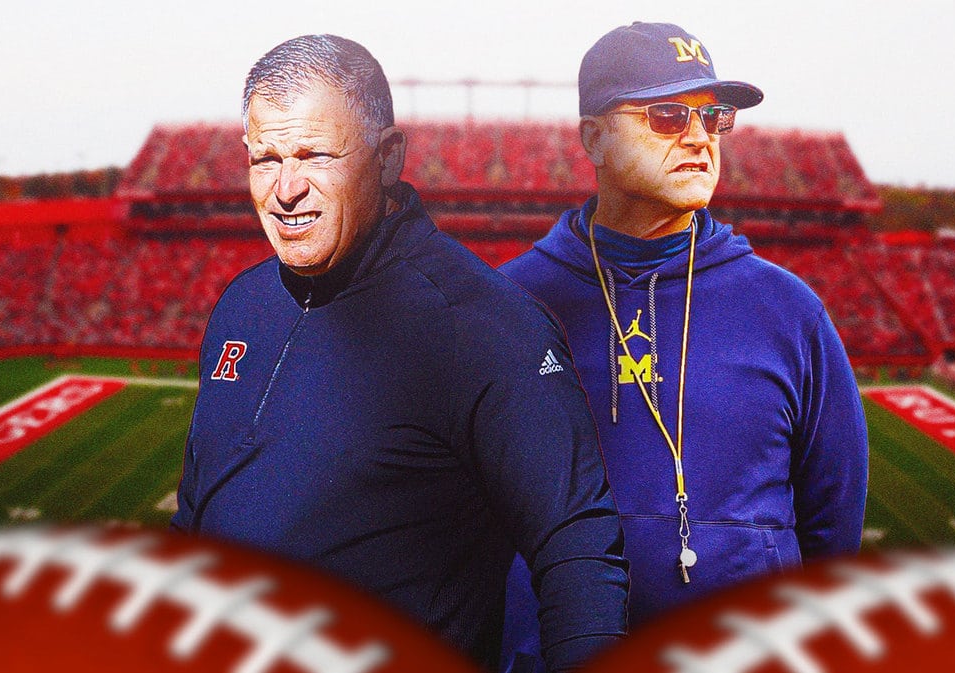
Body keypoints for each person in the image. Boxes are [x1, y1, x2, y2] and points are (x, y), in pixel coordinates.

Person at [170, 34, 628, 673]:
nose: (285, 188)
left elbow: (577, 549)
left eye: (314, 154)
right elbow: (195, 516)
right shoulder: (240, 306)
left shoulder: (486, 326)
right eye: (264, 158)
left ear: (388, 157)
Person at [500, 21, 869, 670]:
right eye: (668, 116)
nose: (699, 136)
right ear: (593, 136)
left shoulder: (789, 312)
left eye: (712, 117)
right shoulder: (505, 308)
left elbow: (831, 532)